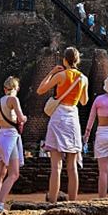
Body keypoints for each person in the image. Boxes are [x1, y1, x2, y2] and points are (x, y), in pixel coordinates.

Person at [37, 47, 88, 203]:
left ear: (64, 60)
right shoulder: (83, 78)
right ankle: (72, 203)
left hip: (59, 117)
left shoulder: (60, 75)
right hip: (72, 117)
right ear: (77, 60)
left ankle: (52, 202)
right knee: (72, 167)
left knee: (56, 167)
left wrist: (51, 72)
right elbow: (84, 101)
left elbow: (40, 90)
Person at [0, 76, 27, 215]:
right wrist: (23, 119)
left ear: (5, 88)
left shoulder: (0, 101)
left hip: (0, 137)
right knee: (14, 174)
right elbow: (21, 117)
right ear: (17, 88)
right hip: (11, 138)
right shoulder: (13, 99)